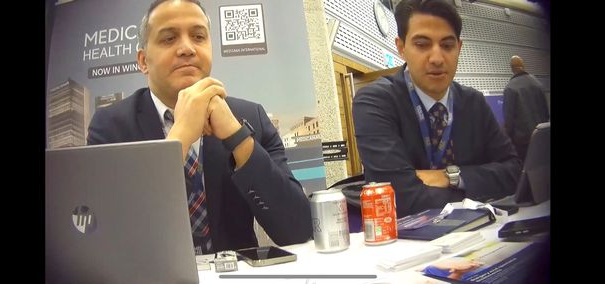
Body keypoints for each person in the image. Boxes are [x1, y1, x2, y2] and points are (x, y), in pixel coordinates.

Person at [87, 0, 312, 254]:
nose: (187, 48)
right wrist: (179, 138)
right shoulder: (111, 127)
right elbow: (110, 239)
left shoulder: (251, 117)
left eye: (198, 37)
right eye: (169, 38)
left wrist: (238, 137)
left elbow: (300, 230)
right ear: (143, 61)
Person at [352, 0, 521, 218]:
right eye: (422, 45)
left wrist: (450, 177)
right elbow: (398, 197)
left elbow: (514, 173)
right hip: (408, 245)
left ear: (459, 48)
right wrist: (480, 188)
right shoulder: (375, 102)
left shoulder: (474, 103)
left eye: (447, 45)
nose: (437, 58)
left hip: (477, 236)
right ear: (401, 48)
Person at [503, 55, 549, 161]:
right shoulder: (538, 83)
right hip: (542, 138)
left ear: (512, 69)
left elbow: (509, 122)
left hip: (523, 144)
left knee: (527, 170)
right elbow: (546, 112)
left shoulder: (510, 88)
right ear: (523, 66)